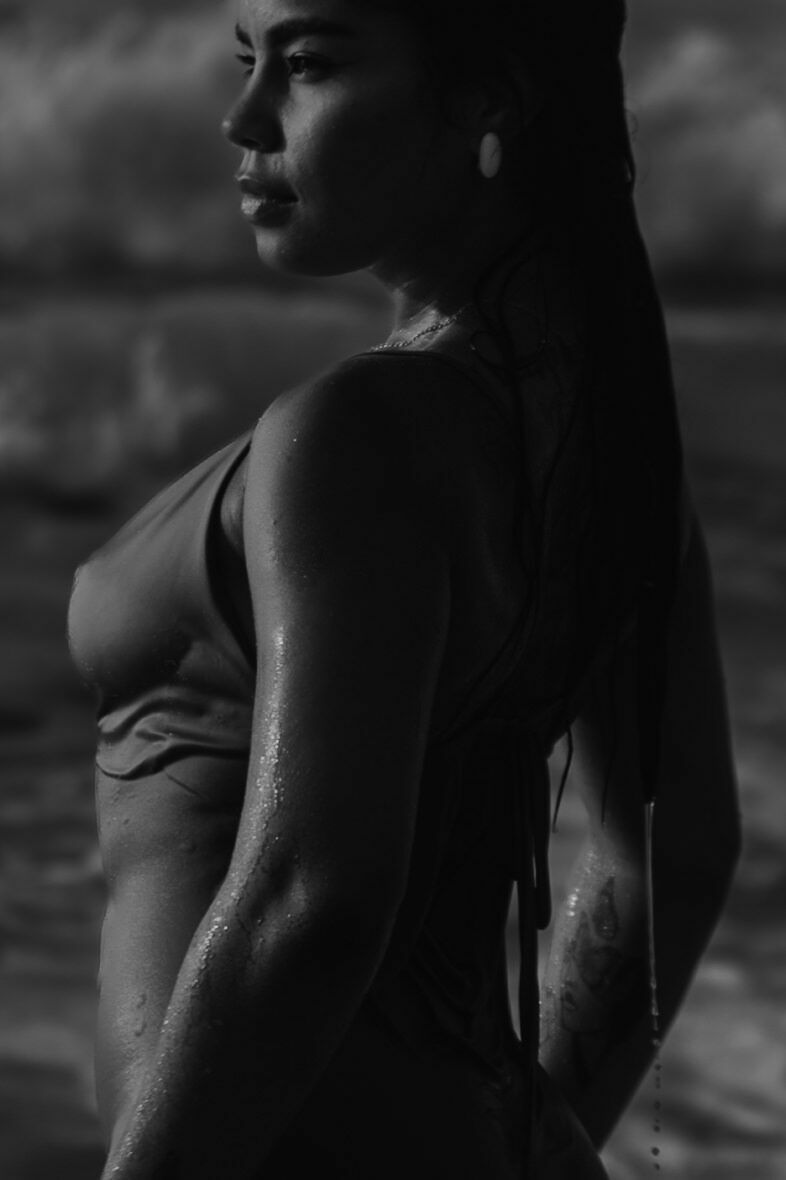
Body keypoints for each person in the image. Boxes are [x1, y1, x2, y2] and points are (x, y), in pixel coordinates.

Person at [67, 0, 741, 1176]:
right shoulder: (600, 443)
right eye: (247, 60)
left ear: (489, 101)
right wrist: (524, 1136)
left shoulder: (358, 437)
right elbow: (674, 850)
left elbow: (311, 905)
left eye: (310, 62)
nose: (243, 117)